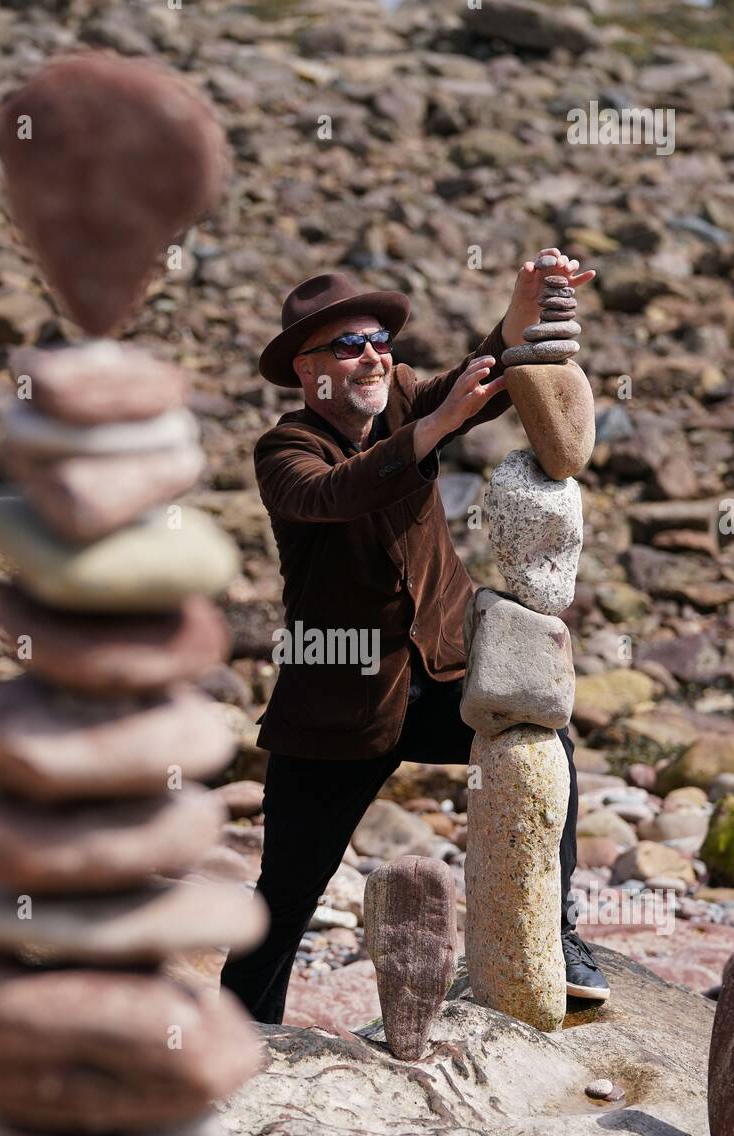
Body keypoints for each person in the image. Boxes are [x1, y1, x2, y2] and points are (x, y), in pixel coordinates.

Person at [219, 251, 609, 1025]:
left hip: (443, 672)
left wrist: (523, 303)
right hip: (338, 710)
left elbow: (480, 384)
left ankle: (553, 939)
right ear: (306, 370)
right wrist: (434, 428)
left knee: (544, 745)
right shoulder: (284, 450)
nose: (373, 355)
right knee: (287, 892)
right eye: (348, 345)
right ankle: (234, 1041)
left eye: (378, 340)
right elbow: (334, 494)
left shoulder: (399, 395)